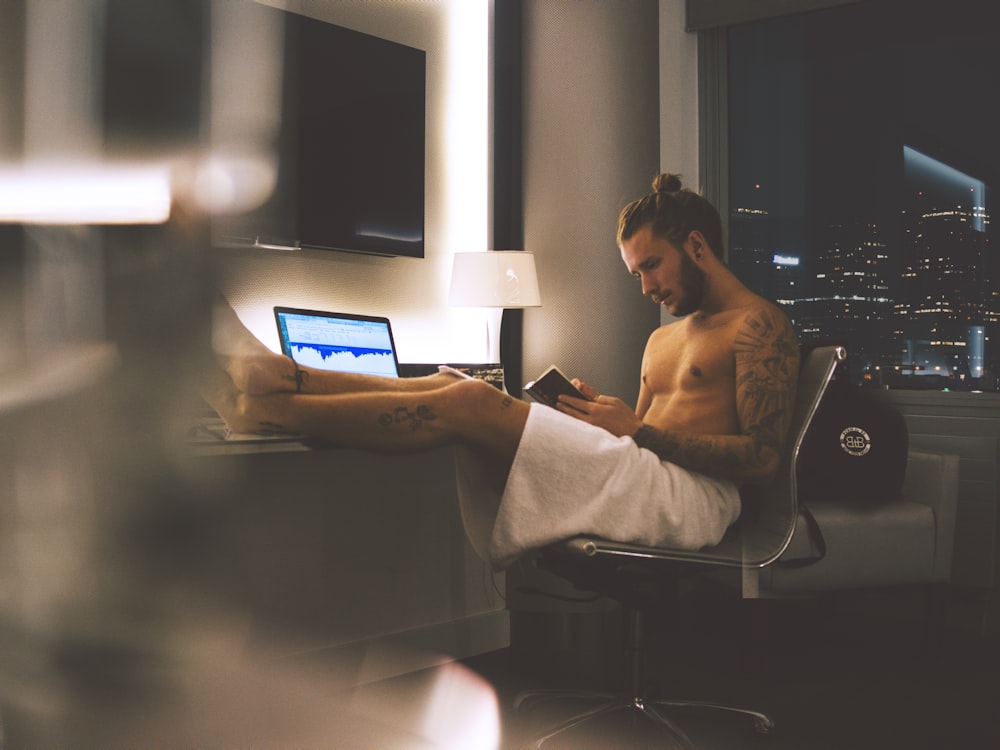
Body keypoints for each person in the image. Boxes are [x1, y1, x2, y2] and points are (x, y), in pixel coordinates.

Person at [204, 174, 799, 569]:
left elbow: (764, 459)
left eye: (652, 267)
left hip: (696, 503)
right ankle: (287, 376)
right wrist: (605, 418)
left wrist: (636, 432)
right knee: (456, 384)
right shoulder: (664, 337)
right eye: (635, 274)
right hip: (644, 475)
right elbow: (642, 435)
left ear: (697, 246)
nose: (645, 287)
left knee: (471, 404)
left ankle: (267, 405)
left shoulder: (758, 325)